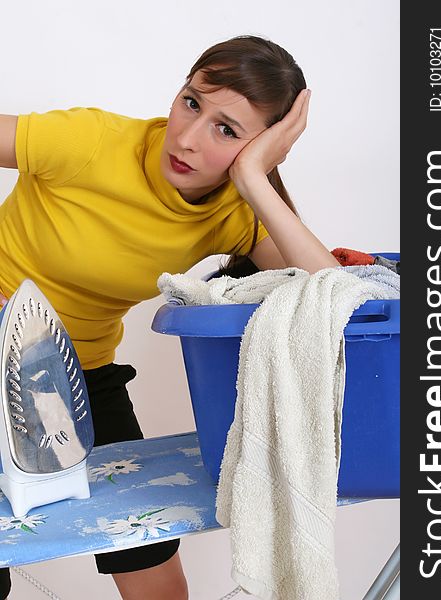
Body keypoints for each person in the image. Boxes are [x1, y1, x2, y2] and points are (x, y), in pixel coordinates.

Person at [0, 34, 339, 600]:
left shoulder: (236, 211)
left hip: (76, 376)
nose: (186, 137)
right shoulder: (90, 141)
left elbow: (331, 295)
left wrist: (255, 177)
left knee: (149, 557)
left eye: (226, 130)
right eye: (191, 102)